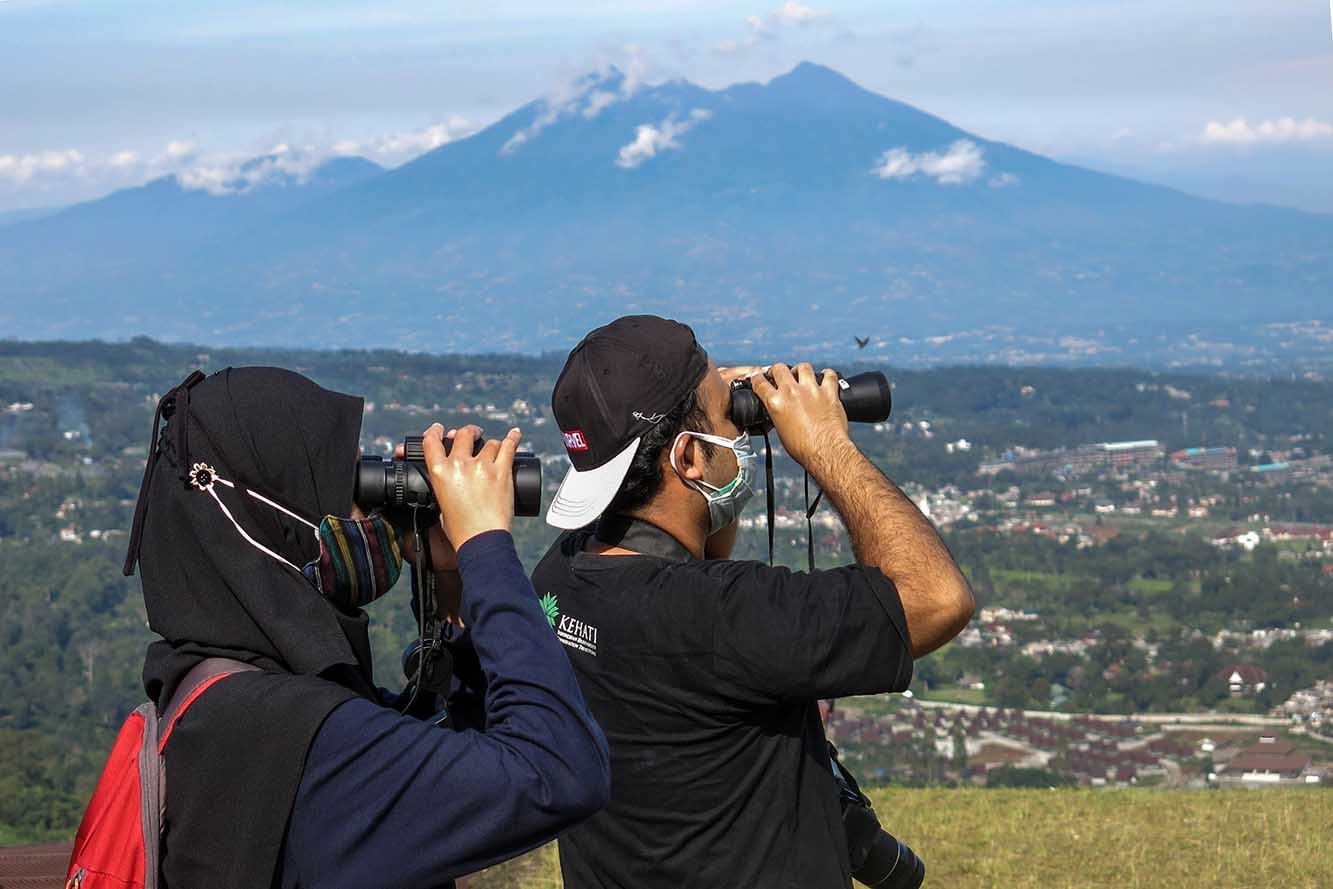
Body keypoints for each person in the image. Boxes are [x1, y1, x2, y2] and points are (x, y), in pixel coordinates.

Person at [122, 367, 609, 889]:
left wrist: (453, 585)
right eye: (346, 483)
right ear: (281, 518)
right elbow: (559, 771)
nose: (370, 510)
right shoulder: (291, 733)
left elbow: (459, 750)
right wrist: (484, 545)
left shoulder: (233, 697)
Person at [532, 316, 975, 888]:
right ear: (688, 457)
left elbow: (679, 559)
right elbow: (938, 599)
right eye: (728, 416)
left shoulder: (560, 577)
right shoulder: (723, 617)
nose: (739, 426)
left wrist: (713, 418)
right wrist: (824, 445)